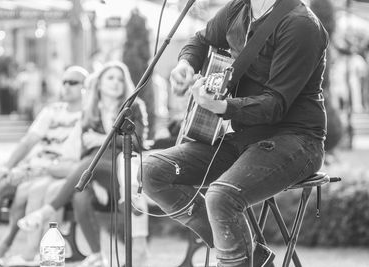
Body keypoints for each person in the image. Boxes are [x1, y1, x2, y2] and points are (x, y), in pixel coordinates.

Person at [140, 0, 329, 266]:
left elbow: (275, 104)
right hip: (244, 137)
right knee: (151, 171)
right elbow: (201, 39)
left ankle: (240, 258)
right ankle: (251, 255)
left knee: (222, 196)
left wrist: (223, 106)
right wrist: (187, 64)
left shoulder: (301, 24)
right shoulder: (238, 8)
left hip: (297, 140)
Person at [18, 61, 150, 267]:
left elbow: (136, 142)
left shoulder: (133, 107)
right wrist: (95, 177)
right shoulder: (90, 111)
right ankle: (97, 254)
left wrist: (102, 139)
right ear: (99, 84)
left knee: (95, 160)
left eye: (119, 78)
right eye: (110, 78)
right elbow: (84, 149)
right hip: (97, 174)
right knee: (80, 196)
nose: (115, 83)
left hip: (124, 172)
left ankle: (45, 212)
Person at [0, 66, 89, 265]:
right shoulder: (52, 110)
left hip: (55, 172)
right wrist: (7, 167)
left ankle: (6, 246)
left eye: (73, 82)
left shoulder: (86, 115)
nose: (66, 86)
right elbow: (28, 142)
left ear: (86, 87)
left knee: (25, 192)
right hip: (33, 168)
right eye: (64, 82)